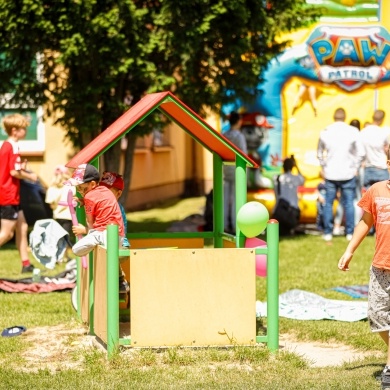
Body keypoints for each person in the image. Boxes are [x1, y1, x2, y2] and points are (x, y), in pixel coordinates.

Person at [337, 148, 390, 389]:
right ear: (388, 162)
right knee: (377, 316)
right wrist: (349, 251)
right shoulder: (376, 190)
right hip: (381, 266)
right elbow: (365, 222)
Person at [66, 164, 130, 293]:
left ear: (94, 185)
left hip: (106, 236)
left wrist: (85, 230)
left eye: (82, 188)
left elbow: (90, 223)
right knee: (110, 258)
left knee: (77, 249)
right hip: (119, 237)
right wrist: (84, 200)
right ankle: (121, 282)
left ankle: (116, 283)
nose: (80, 191)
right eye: (78, 189)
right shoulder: (105, 193)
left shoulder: (91, 196)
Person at [317, 107, 365, 242]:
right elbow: (361, 153)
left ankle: (328, 232)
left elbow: (319, 153)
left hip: (331, 173)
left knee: (328, 203)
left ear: (334, 117)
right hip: (348, 172)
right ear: (344, 117)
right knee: (349, 203)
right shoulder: (353, 131)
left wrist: (324, 166)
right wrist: (355, 166)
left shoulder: (325, 131)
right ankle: (349, 232)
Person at [0, 113, 38, 273]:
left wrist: (21, 168)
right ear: (14, 130)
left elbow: (13, 169)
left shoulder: (9, 146)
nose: (25, 131)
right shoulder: (11, 146)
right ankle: (25, 264)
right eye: (23, 128)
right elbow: (13, 173)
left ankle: (26, 264)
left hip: (13, 195)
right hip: (8, 195)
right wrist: (30, 176)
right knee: (6, 234)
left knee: (22, 227)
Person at [223, 111, 247, 233]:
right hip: (237, 170)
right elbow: (244, 154)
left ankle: (224, 225)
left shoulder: (225, 135)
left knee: (225, 199)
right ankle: (236, 225)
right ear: (238, 121)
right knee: (237, 199)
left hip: (225, 169)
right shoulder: (239, 136)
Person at [45, 165, 75, 261]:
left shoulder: (52, 187)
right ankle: (62, 257)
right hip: (67, 215)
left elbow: (50, 203)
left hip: (57, 215)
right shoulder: (69, 186)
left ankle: (61, 256)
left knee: (59, 236)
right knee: (65, 237)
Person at [272, 156, 304, 235]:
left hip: (279, 212)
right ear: (292, 167)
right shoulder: (295, 178)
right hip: (292, 212)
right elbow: (302, 179)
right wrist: (296, 165)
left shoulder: (276, 178)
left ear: (283, 166)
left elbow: (274, 174)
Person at [360, 109, 390, 189]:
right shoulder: (384, 132)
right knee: (383, 197)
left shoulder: (363, 132)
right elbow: (387, 150)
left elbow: (361, 153)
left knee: (369, 197)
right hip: (381, 168)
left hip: (368, 168)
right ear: (382, 120)